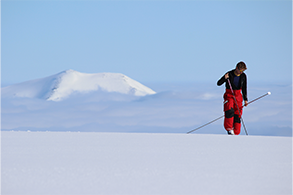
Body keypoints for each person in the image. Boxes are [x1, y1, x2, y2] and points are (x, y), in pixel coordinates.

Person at [217, 61, 248, 135]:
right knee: (229, 110)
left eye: (243, 71)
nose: (241, 72)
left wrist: (245, 99)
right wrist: (224, 78)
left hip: (238, 96)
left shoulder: (243, 76)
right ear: (236, 68)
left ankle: (236, 132)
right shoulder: (229, 74)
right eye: (240, 70)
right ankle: (229, 129)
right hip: (229, 95)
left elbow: (244, 88)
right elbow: (219, 83)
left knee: (238, 113)